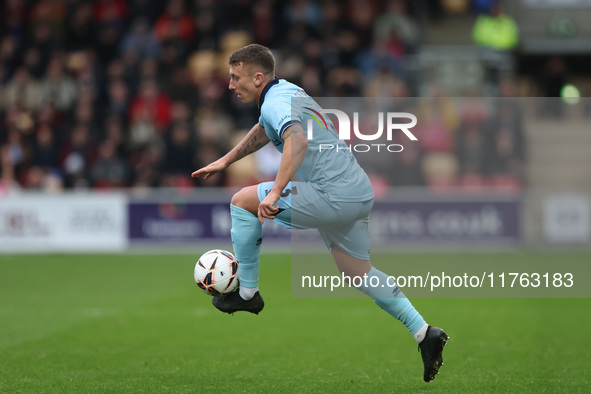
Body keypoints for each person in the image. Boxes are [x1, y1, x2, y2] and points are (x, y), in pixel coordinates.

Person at [191, 44, 448, 382]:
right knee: (358, 272)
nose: (230, 84)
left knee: (242, 200)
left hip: (332, 194)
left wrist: (278, 191)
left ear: (257, 77)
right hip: (356, 190)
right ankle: (424, 333)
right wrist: (226, 160)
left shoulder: (277, 102)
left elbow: (295, 140)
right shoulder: (286, 92)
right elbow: (266, 129)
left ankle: (248, 293)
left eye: (235, 77)